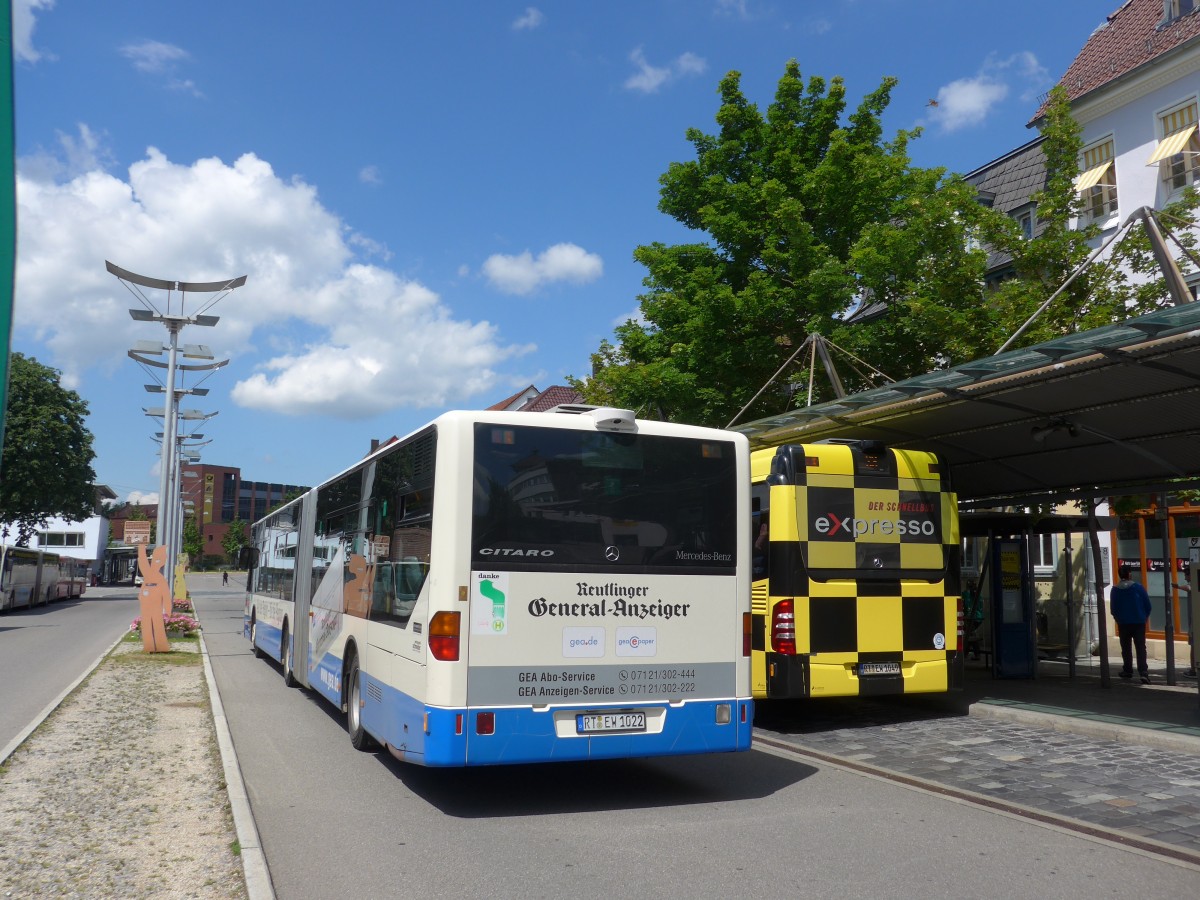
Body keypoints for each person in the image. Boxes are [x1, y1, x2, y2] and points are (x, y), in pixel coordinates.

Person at [1110, 564, 1153, 684]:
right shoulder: (1138, 587)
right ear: (1129, 574)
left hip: (1123, 623)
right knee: (1140, 648)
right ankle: (1143, 672)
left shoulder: (1115, 590)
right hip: (1138, 622)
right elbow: (1148, 605)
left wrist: (1118, 618)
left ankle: (1128, 670)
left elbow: (1113, 608)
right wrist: (1144, 617)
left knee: (1126, 648)